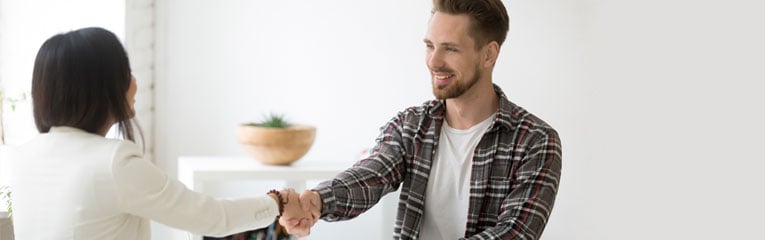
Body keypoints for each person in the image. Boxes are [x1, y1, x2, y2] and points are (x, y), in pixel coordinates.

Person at [280, 0, 563, 239]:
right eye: (430, 45)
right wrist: (316, 201)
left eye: (450, 48)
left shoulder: (535, 141)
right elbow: (371, 174)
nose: (433, 61)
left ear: (488, 54)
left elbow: (514, 233)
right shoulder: (412, 125)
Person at [7, 27, 308, 239]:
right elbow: (213, 218)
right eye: (125, 73)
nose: (134, 82)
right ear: (102, 88)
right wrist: (279, 202)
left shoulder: (24, 156)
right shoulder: (113, 162)